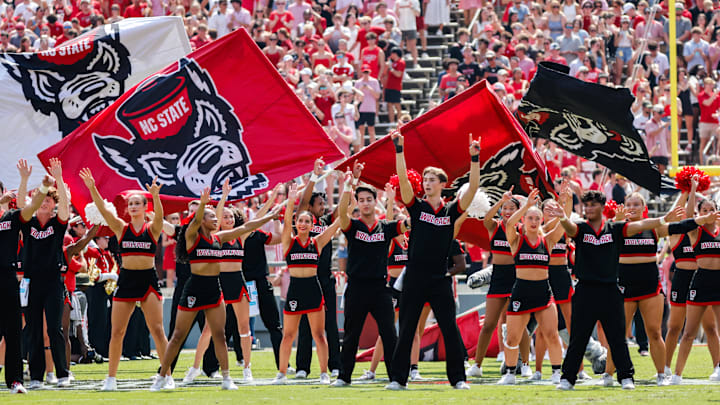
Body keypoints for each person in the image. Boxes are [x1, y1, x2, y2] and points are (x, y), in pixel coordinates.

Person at [551, 190, 711, 390]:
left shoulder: (627, 228)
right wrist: (563, 215)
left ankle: (647, 374)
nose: (633, 208)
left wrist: (672, 216)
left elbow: (657, 224)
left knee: (637, 334)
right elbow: (569, 227)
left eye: (637, 204)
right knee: (594, 335)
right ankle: (588, 376)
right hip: (608, 286)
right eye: (630, 204)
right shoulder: (597, 228)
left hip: (634, 286)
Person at [151, 186, 280, 391]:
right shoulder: (192, 237)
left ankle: (227, 378)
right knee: (177, 335)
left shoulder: (219, 238)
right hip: (194, 288)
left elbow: (246, 227)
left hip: (215, 289)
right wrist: (203, 205)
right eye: (211, 217)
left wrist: (271, 215)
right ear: (201, 220)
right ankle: (162, 377)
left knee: (219, 335)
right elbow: (194, 222)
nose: (215, 219)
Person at [386, 130, 480, 390]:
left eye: (431, 180)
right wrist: (400, 149)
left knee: (450, 328)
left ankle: (458, 379)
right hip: (415, 276)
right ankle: (398, 379)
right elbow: (403, 179)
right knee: (406, 330)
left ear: (442, 183)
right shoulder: (416, 207)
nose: (426, 183)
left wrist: (474, 158)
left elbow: (473, 188)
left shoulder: (450, 211)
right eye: (425, 179)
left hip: (439, 278)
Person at [79, 168, 169, 391]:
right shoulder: (121, 227)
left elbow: (159, 216)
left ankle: (167, 375)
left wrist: (155, 196)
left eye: (137, 203)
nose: (133, 206)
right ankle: (111, 379)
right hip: (127, 279)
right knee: (117, 331)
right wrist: (92, 189)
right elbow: (103, 210)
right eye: (131, 204)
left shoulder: (153, 228)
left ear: (144, 207)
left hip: (148, 279)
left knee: (157, 330)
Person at [331, 165, 407, 387]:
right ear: (358, 203)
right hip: (355, 287)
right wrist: (348, 185)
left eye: (369, 199)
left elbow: (406, 224)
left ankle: (396, 378)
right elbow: (341, 212)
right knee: (351, 335)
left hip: (380, 288)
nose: (365, 203)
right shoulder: (352, 226)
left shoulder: (386, 227)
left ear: (376, 202)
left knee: (389, 333)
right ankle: (344, 377)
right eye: (361, 199)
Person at [272, 183, 340, 385]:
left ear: (312, 225)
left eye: (306, 222)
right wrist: (291, 201)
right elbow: (286, 221)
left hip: (313, 288)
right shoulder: (289, 242)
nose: (302, 224)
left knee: (319, 335)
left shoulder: (317, 242)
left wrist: (348, 199)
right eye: (299, 221)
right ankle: (282, 374)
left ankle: (323, 373)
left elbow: (336, 225)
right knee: (288, 336)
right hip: (295, 290)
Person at [498, 189, 567, 385]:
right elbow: (509, 223)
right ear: (524, 220)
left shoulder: (548, 240)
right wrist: (526, 206)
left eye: (537, 218)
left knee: (552, 334)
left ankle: (555, 373)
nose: (534, 221)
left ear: (542, 221)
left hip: (543, 293)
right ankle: (510, 373)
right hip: (521, 292)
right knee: (512, 338)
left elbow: (564, 224)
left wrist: (563, 205)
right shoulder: (517, 239)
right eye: (530, 218)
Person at [0, 160, 53, 394]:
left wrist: (40, 188)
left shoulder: (10, 217)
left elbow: (29, 210)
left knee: (13, 331)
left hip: (8, 277)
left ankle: (15, 381)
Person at [468, 187, 531, 378]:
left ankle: (526, 364)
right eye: (505, 208)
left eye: (512, 208)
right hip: (498, 278)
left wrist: (525, 207)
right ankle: (477, 366)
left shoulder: (522, 229)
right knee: (489, 324)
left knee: (519, 325)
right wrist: (501, 201)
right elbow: (486, 218)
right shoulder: (494, 226)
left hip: (516, 277)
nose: (507, 211)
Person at [664, 181, 720, 381]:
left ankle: (718, 368)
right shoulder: (695, 231)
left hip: (718, 281)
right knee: (688, 332)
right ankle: (676, 373)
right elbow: (688, 217)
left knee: (714, 329)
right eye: (703, 210)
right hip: (701, 279)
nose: (707, 213)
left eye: (711, 210)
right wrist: (693, 190)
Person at [24, 158, 71, 390]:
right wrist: (25, 180)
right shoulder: (28, 223)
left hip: (53, 282)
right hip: (32, 282)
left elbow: (66, 208)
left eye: (49, 200)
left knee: (54, 328)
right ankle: (35, 377)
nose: (45, 202)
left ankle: (63, 373)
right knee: (33, 330)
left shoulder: (57, 223)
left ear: (54, 203)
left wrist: (59, 179)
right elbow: (23, 208)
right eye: (42, 198)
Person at [294, 159, 343, 379]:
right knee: (305, 324)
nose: (322, 208)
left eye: (324, 205)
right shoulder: (303, 221)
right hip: (307, 279)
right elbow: (303, 200)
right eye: (319, 205)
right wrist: (314, 177)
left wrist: (350, 185)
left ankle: (335, 365)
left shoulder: (327, 221)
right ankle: (303, 367)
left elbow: (343, 210)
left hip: (325, 278)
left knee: (330, 324)